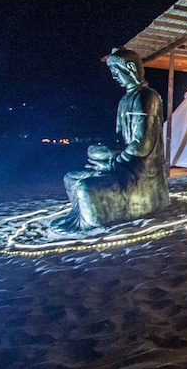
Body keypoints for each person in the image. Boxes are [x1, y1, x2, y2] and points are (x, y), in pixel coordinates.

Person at [51, 48, 170, 234]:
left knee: (84, 188)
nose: (114, 77)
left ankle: (93, 223)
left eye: (116, 72)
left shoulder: (147, 97)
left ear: (130, 68)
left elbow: (142, 145)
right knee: (71, 178)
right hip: (123, 159)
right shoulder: (125, 100)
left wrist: (115, 162)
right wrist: (104, 152)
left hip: (138, 170)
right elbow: (119, 138)